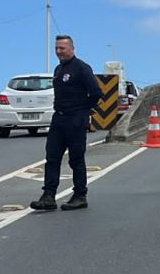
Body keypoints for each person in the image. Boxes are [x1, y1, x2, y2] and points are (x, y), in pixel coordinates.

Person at [30, 35, 103, 211]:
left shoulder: (82, 68)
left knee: (76, 158)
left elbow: (96, 92)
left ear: (71, 48)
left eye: (62, 48)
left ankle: (80, 195)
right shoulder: (58, 69)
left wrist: (83, 109)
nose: (58, 52)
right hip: (59, 119)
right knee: (52, 157)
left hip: (76, 119)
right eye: (56, 48)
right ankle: (48, 196)